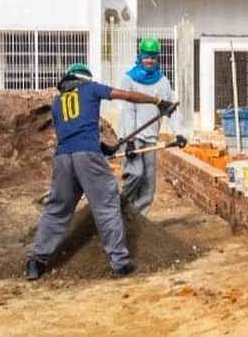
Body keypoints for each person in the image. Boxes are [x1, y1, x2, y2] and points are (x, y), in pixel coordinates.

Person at [26, 63, 178, 281]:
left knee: (57, 210)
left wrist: (100, 147)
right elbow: (125, 95)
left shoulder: (58, 102)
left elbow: (66, 135)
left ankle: (36, 261)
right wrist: (157, 101)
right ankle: (120, 262)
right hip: (87, 156)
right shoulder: (91, 88)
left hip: (62, 158)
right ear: (84, 79)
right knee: (106, 203)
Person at [119, 36, 180, 216]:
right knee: (135, 174)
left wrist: (179, 134)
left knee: (148, 181)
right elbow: (129, 111)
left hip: (151, 137)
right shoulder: (128, 79)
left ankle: (138, 218)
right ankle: (120, 207)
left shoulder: (163, 82)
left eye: (153, 57)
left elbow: (171, 110)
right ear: (140, 56)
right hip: (133, 136)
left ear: (157, 58)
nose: (149, 60)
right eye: (146, 56)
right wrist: (129, 140)